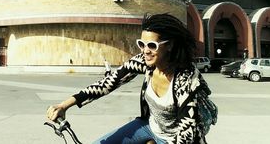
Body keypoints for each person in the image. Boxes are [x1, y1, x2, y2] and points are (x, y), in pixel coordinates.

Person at [47, 13, 213, 144]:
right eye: (142, 44)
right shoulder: (145, 62)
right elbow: (107, 83)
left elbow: (187, 134)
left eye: (152, 45)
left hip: (176, 139)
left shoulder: (187, 79)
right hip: (149, 127)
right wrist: (65, 105)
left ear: (169, 45)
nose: (145, 51)